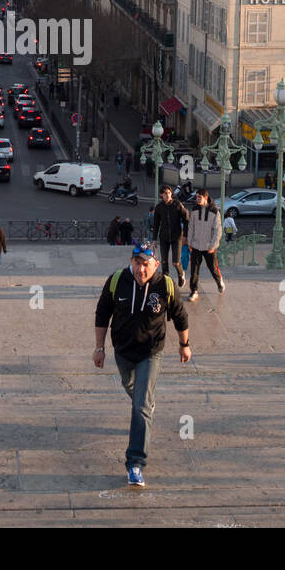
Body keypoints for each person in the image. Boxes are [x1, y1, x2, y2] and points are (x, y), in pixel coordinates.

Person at [93, 240, 191, 488]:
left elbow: (180, 316)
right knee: (135, 393)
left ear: (155, 264)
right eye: (137, 263)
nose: (141, 269)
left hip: (151, 352)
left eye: (146, 264)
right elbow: (102, 313)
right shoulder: (117, 281)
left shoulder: (165, 285)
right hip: (123, 352)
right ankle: (144, 407)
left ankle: (135, 464)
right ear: (131, 261)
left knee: (140, 407)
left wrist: (184, 344)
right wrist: (99, 347)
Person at [182, 188, 224, 302]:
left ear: (205, 197)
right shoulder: (194, 210)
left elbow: (218, 230)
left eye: (199, 197)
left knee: (213, 268)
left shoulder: (215, 211)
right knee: (194, 270)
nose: (197, 199)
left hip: (209, 246)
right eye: (196, 197)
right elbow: (191, 227)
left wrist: (213, 245)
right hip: (196, 245)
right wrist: (190, 243)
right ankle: (193, 291)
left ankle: (219, 281)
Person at [150, 186, 189, 286]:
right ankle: (166, 282)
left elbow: (186, 219)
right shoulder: (159, 207)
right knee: (164, 262)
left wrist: (185, 234)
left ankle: (181, 274)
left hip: (177, 237)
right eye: (165, 193)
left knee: (175, 262)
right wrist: (154, 239)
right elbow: (156, 224)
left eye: (169, 193)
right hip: (164, 237)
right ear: (161, 195)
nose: (167, 195)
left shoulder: (177, 204)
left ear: (171, 194)